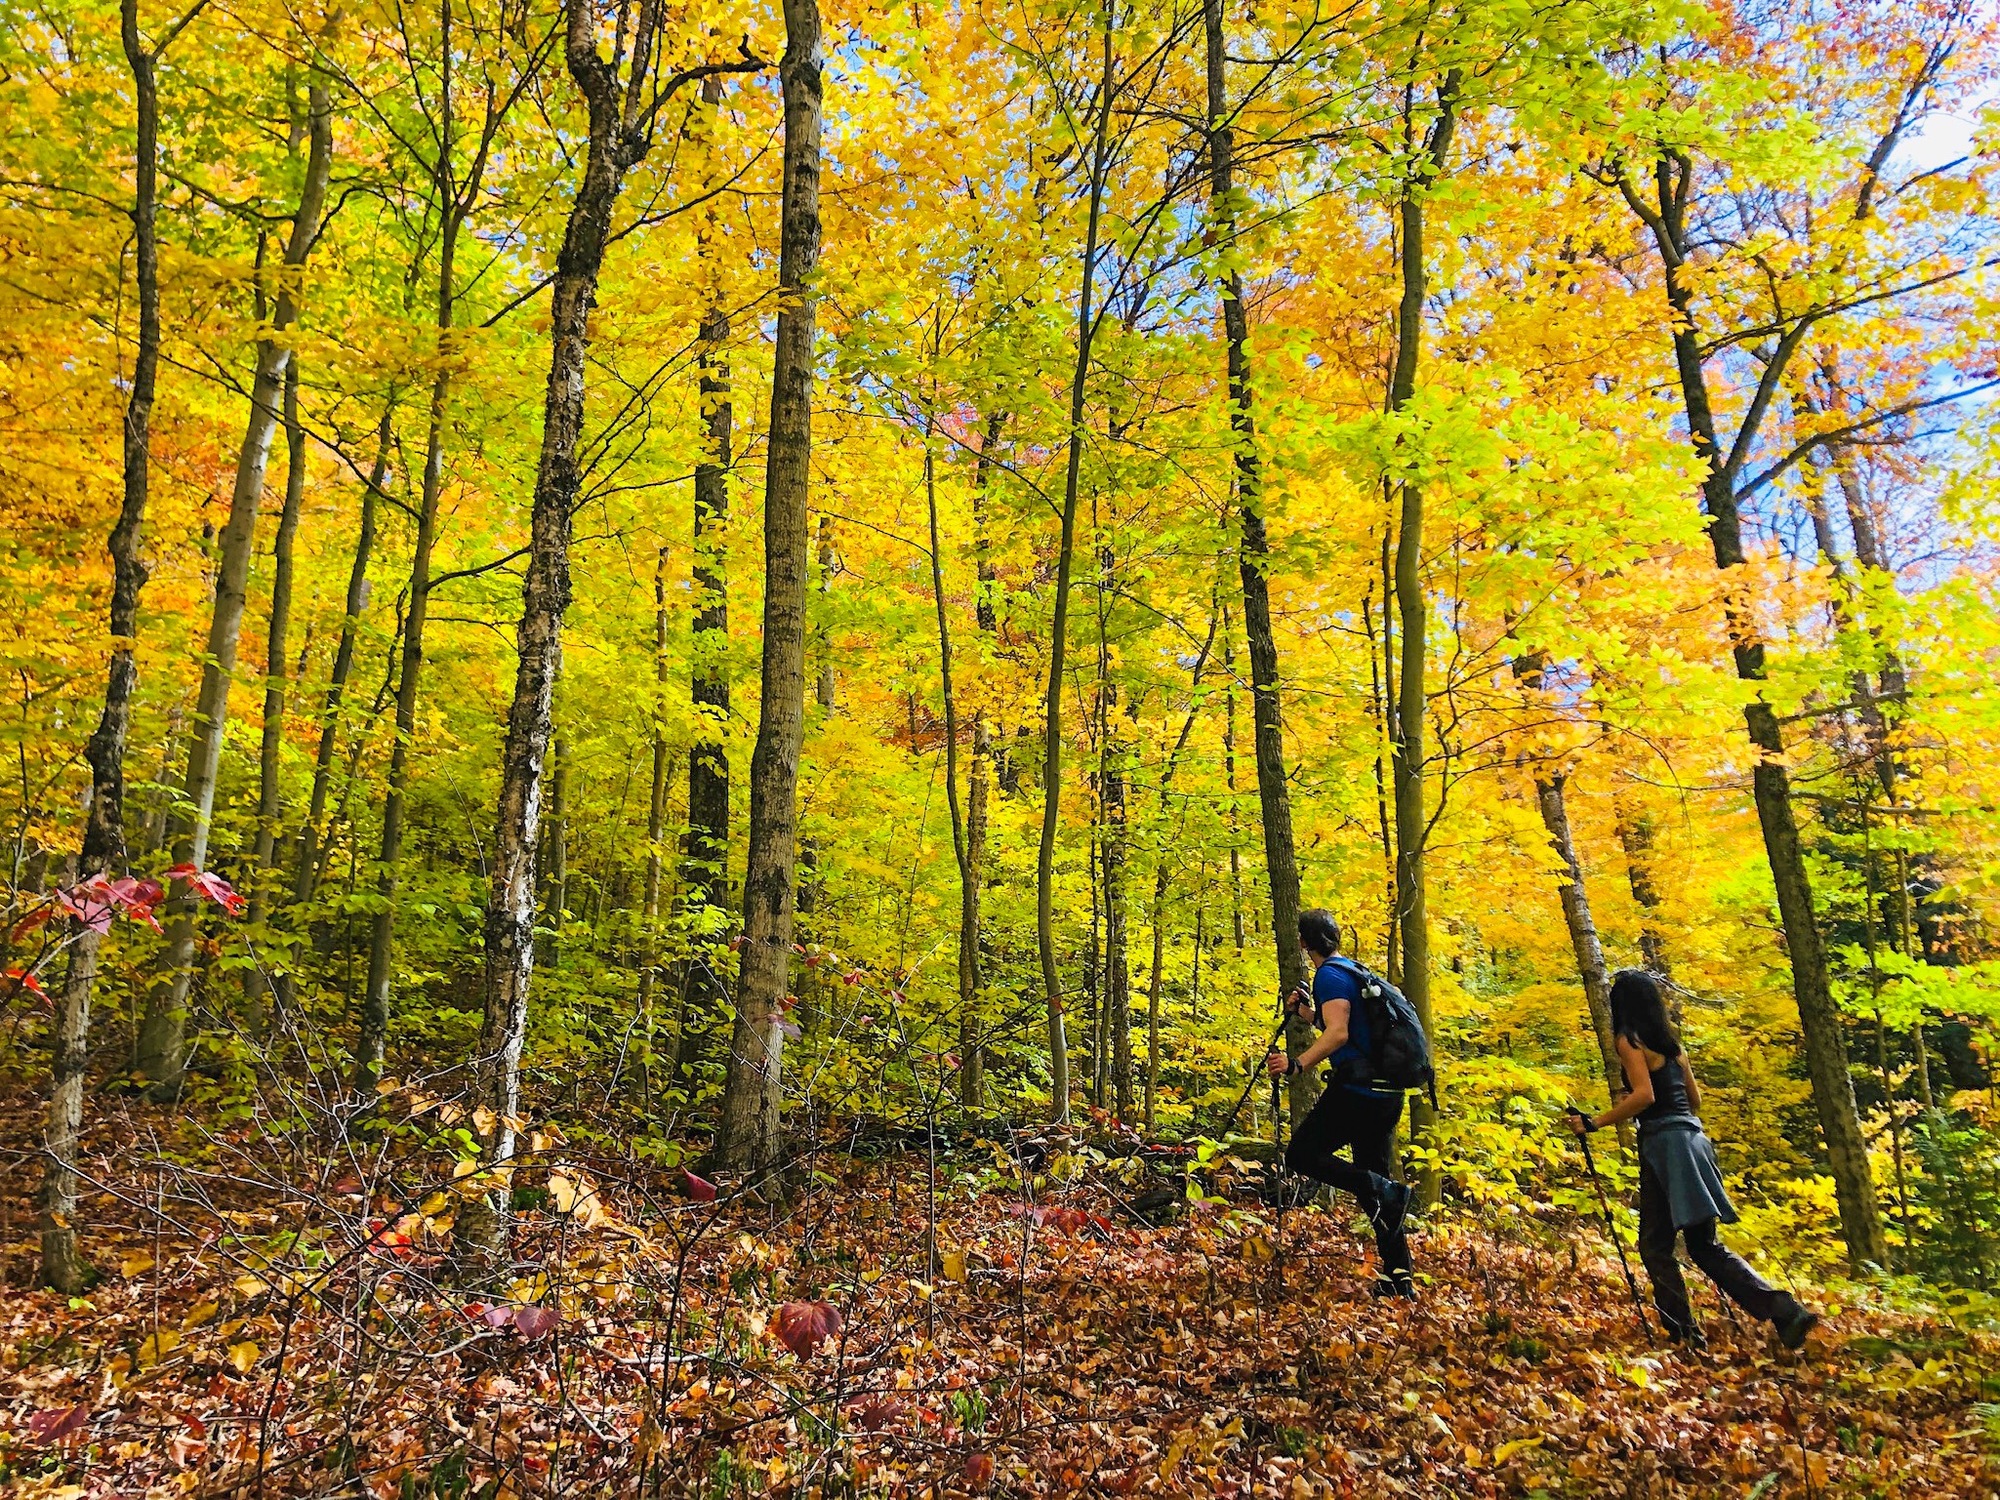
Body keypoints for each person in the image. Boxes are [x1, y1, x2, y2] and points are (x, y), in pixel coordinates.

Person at [1567, 969, 1819, 1350]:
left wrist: (1596, 1122)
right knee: (1703, 1245)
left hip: (1665, 1148)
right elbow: (1695, 1101)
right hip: (1696, 1142)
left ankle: (1684, 1333)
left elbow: (1645, 1096)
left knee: (1655, 1246)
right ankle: (1784, 1311)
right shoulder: (1673, 1045)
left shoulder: (1628, 1041)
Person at [1268, 908, 1415, 1298]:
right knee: (1376, 1190)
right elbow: (1343, 1025)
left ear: (1304, 941)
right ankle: (1400, 1280)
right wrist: (1305, 1014)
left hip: (1358, 1092)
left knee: (1301, 1154)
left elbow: (1338, 1033)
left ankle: (1383, 1190)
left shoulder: (1329, 975)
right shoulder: (1351, 970)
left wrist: (1298, 1064)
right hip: (1387, 1094)